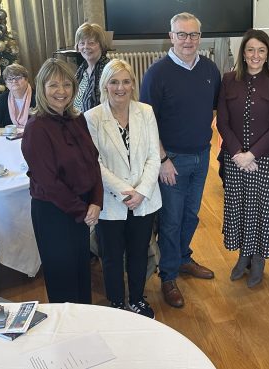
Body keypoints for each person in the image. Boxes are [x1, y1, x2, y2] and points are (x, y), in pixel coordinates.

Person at [140, 12, 221, 308]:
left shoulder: (210, 69)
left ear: (200, 37)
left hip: (201, 156)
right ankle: (169, 275)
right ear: (171, 36)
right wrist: (162, 159)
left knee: (191, 215)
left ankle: (183, 258)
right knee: (171, 222)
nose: (188, 41)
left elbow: (212, 109)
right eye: (182, 35)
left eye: (194, 35)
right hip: (171, 160)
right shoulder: (157, 73)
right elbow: (147, 123)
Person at [21, 58, 103, 304]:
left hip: (81, 210)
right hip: (54, 214)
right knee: (63, 280)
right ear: (42, 88)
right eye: (54, 85)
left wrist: (96, 202)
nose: (61, 92)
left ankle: (83, 325)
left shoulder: (77, 119)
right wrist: (84, 211)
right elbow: (49, 183)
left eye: (67, 85)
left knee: (80, 273)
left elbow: (93, 161)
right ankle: (66, 334)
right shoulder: (36, 128)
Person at [85, 59, 162, 318]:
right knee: (112, 256)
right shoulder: (93, 117)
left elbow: (154, 155)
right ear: (105, 85)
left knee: (139, 252)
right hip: (111, 200)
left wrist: (141, 191)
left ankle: (138, 298)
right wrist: (125, 191)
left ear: (133, 84)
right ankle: (117, 302)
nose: (121, 87)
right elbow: (94, 163)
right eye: (114, 82)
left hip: (144, 197)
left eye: (126, 81)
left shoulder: (146, 111)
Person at [217, 29, 269, 288]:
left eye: (261, 50)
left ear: (267, 54)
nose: (255, 55)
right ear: (243, 53)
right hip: (234, 158)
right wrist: (238, 154)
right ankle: (242, 255)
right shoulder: (228, 80)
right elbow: (222, 122)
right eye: (250, 50)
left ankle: (258, 258)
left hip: (265, 158)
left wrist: (252, 154)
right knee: (239, 206)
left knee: (261, 209)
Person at [0, 63, 36, 136]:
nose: (14, 81)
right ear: (6, 83)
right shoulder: (4, 98)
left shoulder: (38, 96)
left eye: (18, 77)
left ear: (26, 79)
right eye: (10, 79)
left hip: (33, 136)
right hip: (9, 139)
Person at [73, 23, 111, 113]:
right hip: (78, 121)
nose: (86, 47)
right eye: (82, 43)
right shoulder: (82, 70)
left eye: (91, 43)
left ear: (101, 45)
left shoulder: (108, 70)